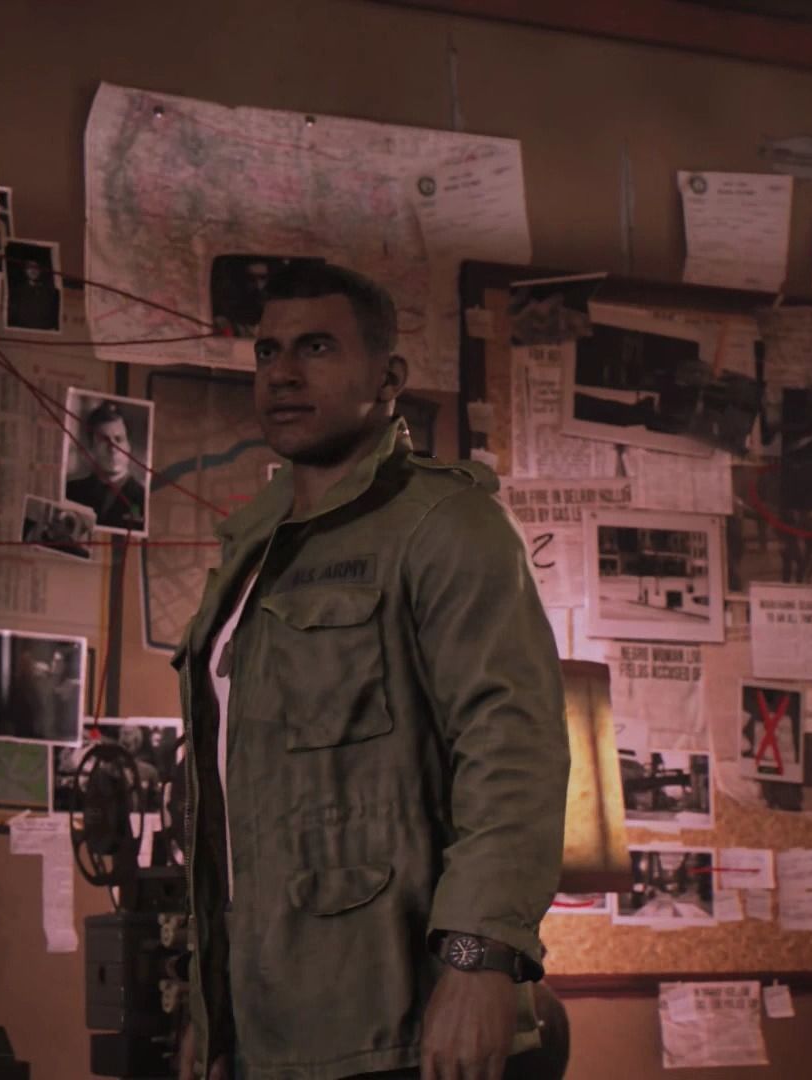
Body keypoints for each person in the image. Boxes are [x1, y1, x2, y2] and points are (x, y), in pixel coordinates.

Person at [173, 262, 569, 1080]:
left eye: (316, 347)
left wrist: (480, 958)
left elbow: (512, 748)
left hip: (402, 1025)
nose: (283, 373)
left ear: (388, 379)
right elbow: (233, 824)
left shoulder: (447, 524)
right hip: (271, 1029)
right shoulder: (253, 550)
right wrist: (212, 1019)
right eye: (268, 351)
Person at [65, 399, 147, 532]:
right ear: (91, 447)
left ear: (129, 446)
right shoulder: (71, 492)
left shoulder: (144, 499)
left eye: (119, 439)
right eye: (104, 440)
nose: (113, 448)